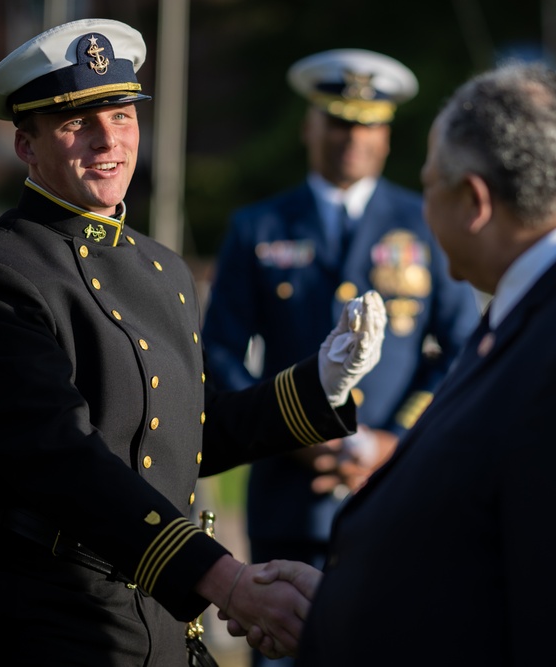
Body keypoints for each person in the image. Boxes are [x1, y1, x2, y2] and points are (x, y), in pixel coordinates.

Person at [0, 19, 383, 666]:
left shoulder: (160, 267)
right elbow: (62, 459)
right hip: (45, 612)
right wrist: (225, 579)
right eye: (74, 122)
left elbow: (186, 432)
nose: (108, 139)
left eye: (120, 113)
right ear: (26, 145)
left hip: (160, 607)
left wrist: (319, 386)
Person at [243, 62, 556, 665]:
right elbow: (497, 561)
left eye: (429, 187)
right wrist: (346, 609)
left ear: (473, 200)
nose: (422, 214)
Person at [200, 48, 480, 664]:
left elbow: (464, 350)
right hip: (286, 507)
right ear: (309, 125)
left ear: (386, 134)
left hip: (396, 502)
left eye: (367, 122)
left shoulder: (426, 222)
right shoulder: (258, 225)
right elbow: (218, 350)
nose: (352, 136)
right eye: (338, 120)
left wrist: (395, 441)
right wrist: (283, 427)